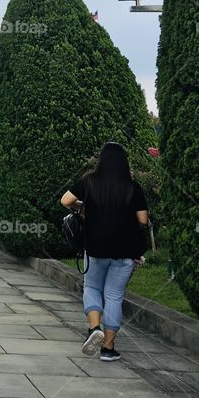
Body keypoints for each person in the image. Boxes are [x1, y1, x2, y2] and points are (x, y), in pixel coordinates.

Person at [60, 142, 149, 362]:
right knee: (114, 296)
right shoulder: (133, 187)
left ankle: (94, 328)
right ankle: (108, 348)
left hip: (96, 248)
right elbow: (143, 220)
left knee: (91, 286)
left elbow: (65, 200)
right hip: (124, 251)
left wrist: (83, 206)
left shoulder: (89, 182)